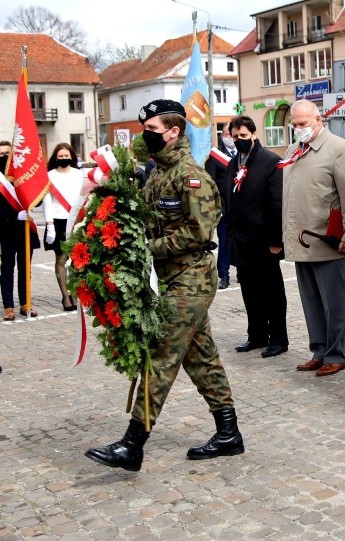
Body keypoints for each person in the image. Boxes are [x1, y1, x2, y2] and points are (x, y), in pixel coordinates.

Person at [85, 99, 244, 471]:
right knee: (200, 355)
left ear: (173, 132)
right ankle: (228, 433)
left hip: (190, 278)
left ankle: (132, 443)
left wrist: (146, 248)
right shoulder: (157, 174)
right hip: (167, 277)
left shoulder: (192, 176)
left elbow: (198, 232)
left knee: (160, 355)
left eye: (153, 130)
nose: (147, 136)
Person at [281, 100, 345, 376]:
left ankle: (336, 353)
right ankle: (319, 350)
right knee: (311, 301)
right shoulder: (293, 150)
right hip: (301, 241)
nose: (299, 128)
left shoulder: (339, 148)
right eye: (295, 124)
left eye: (303, 123)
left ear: (318, 119)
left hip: (328, 240)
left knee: (334, 301)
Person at [225, 115, 288, 358]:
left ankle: (279, 338)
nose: (239, 140)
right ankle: (257, 335)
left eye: (243, 136)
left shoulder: (270, 161)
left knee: (271, 291)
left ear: (253, 134)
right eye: (235, 136)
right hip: (240, 240)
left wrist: (275, 240)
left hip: (263, 240)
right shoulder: (234, 164)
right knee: (250, 291)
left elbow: (276, 203)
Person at [0, 140, 41, 321]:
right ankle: (9, 306)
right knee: (7, 268)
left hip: (25, 229)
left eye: (7, 154)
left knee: (25, 268)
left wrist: (28, 207)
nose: (4, 158)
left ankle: (26, 303)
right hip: (5, 229)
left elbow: (37, 198)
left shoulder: (23, 175)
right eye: (0, 154)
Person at [44, 143, 85, 311]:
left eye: (66, 156)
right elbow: (47, 201)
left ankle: (75, 293)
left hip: (76, 220)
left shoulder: (79, 174)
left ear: (72, 157)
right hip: (58, 221)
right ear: (55, 158)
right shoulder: (49, 176)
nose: (63, 159)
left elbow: (83, 196)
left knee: (76, 259)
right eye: (60, 156)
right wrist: (49, 223)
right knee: (61, 259)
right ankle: (65, 296)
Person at [204, 123, 235, 290]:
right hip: (224, 209)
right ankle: (224, 275)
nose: (231, 137)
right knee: (224, 243)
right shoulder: (215, 156)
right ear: (222, 136)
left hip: (241, 209)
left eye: (233, 134)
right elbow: (210, 183)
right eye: (227, 134)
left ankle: (243, 272)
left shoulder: (242, 154)